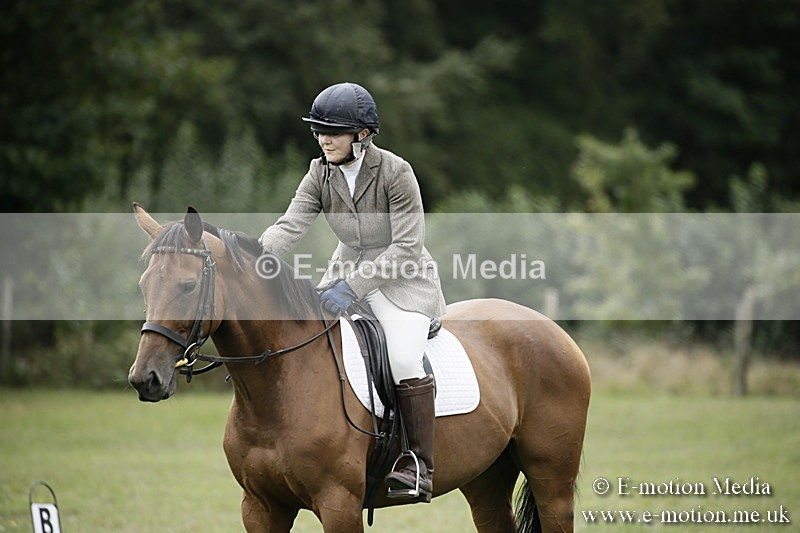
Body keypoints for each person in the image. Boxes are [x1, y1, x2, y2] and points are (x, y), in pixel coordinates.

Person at [258, 82, 447, 501]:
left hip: (404, 282)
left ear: (362, 135)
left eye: (334, 131)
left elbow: (407, 247)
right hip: (344, 274)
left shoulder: (397, 173)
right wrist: (253, 254)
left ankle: (418, 463)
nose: (324, 138)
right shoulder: (318, 172)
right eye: (319, 130)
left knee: (401, 355)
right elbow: (291, 224)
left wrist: (354, 286)